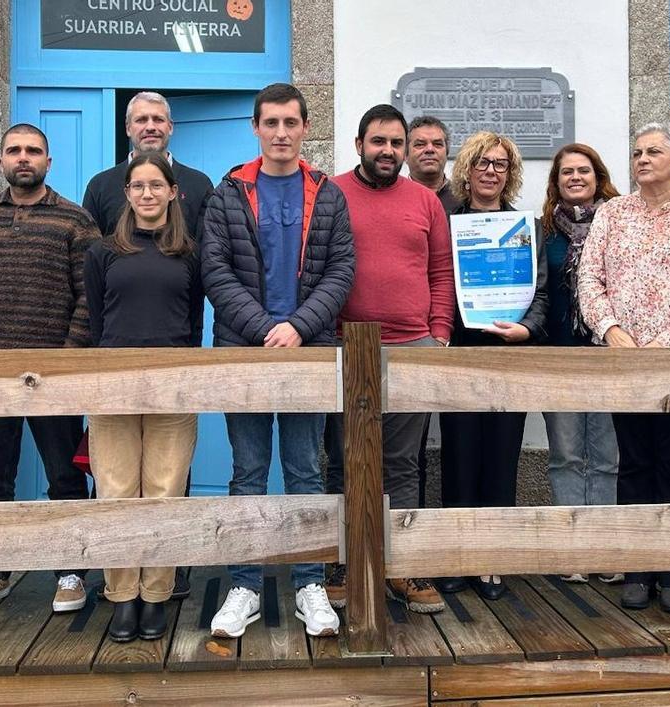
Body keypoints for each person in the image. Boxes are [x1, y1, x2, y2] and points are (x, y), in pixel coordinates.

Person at [201, 82, 354, 638]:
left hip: (307, 353)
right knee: (247, 472)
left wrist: (298, 326)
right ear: (256, 127)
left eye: (291, 123)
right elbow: (214, 271)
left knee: (305, 470)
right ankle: (245, 584)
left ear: (305, 128)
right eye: (272, 123)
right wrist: (269, 328)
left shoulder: (327, 192)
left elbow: (341, 271)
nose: (282, 134)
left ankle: (309, 582)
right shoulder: (229, 192)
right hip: (245, 352)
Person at [577, 122, 670, 613]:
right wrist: (610, 329)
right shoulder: (611, 215)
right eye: (637, 152)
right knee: (633, 464)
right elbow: (590, 279)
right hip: (623, 361)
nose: (642, 159)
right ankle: (638, 570)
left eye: (654, 152)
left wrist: (668, 340)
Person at [0, 124, 98, 615]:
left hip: (54, 373)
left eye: (33, 151)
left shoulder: (76, 221)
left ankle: (71, 569)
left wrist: (65, 356)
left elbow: (89, 297)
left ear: (48, 162)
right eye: (14, 150)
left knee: (64, 476)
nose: (23, 158)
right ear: (1, 160)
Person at [82, 91, 213, 599]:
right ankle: (121, 593)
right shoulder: (102, 215)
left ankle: (160, 588)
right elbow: (97, 312)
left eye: (159, 118)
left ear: (173, 192)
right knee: (116, 489)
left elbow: (195, 308)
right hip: (114, 377)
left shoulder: (199, 200)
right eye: (141, 119)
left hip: (173, 374)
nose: (146, 193)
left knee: (165, 486)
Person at [324, 104, 454, 614]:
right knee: (342, 458)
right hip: (343, 345)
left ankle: (404, 566)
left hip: (412, 347)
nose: (389, 152)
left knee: (402, 463)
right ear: (359, 144)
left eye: (396, 143)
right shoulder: (331, 193)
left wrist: (439, 336)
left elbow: (441, 272)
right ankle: (341, 561)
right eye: (379, 142)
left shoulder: (425, 202)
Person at [433, 131, 548, 599]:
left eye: (500, 164)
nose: (490, 171)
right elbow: (437, 281)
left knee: (501, 457)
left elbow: (542, 292)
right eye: (482, 162)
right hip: (460, 352)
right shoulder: (446, 221)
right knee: (458, 458)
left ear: (510, 172)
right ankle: (457, 559)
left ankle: (493, 561)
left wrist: (528, 329)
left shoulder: (527, 226)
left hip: (507, 355)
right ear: (467, 169)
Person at [539, 144, 625, 586]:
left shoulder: (621, 226)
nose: (575, 177)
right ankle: (571, 548)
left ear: (598, 177)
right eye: (566, 172)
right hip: (559, 355)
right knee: (567, 454)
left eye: (583, 171)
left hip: (608, 355)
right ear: (556, 182)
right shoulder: (543, 234)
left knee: (606, 456)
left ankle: (606, 548)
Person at [405, 115, 456, 506]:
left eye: (436, 144)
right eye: (420, 143)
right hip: (408, 337)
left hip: (457, 334)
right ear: (407, 151)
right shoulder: (395, 196)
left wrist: (442, 332)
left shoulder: (466, 204)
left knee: (458, 440)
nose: (429, 150)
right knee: (409, 447)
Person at [83, 91, 214, 237]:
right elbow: (90, 251)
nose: (150, 127)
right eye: (141, 120)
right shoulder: (100, 186)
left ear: (170, 127)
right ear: (128, 128)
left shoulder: (200, 184)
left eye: (158, 119)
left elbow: (208, 250)